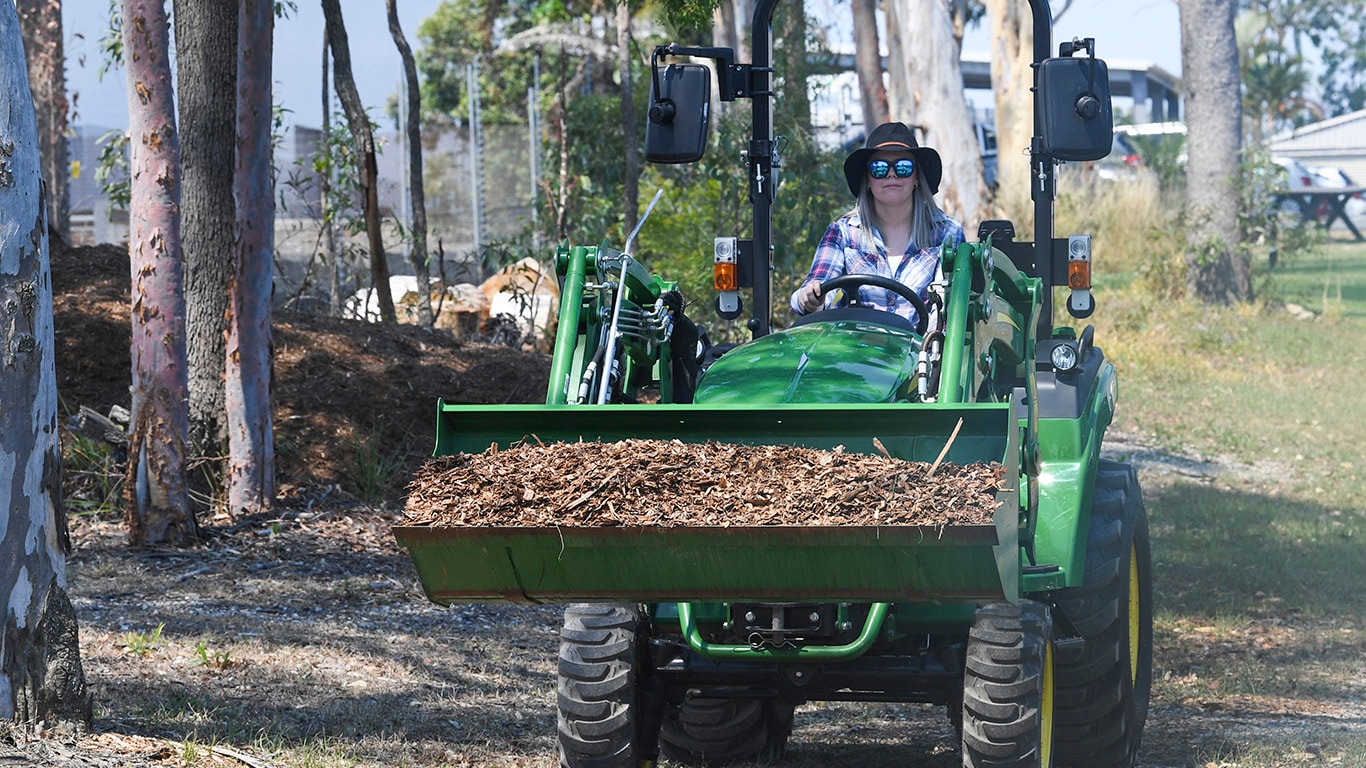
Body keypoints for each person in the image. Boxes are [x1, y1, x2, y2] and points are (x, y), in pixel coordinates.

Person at [791, 121, 965, 328]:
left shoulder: (947, 233)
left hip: (920, 354)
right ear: (867, 180)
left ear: (916, 177)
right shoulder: (843, 232)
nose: (891, 174)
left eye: (903, 167)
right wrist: (811, 297)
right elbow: (813, 290)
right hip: (856, 351)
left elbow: (949, 308)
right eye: (879, 168)